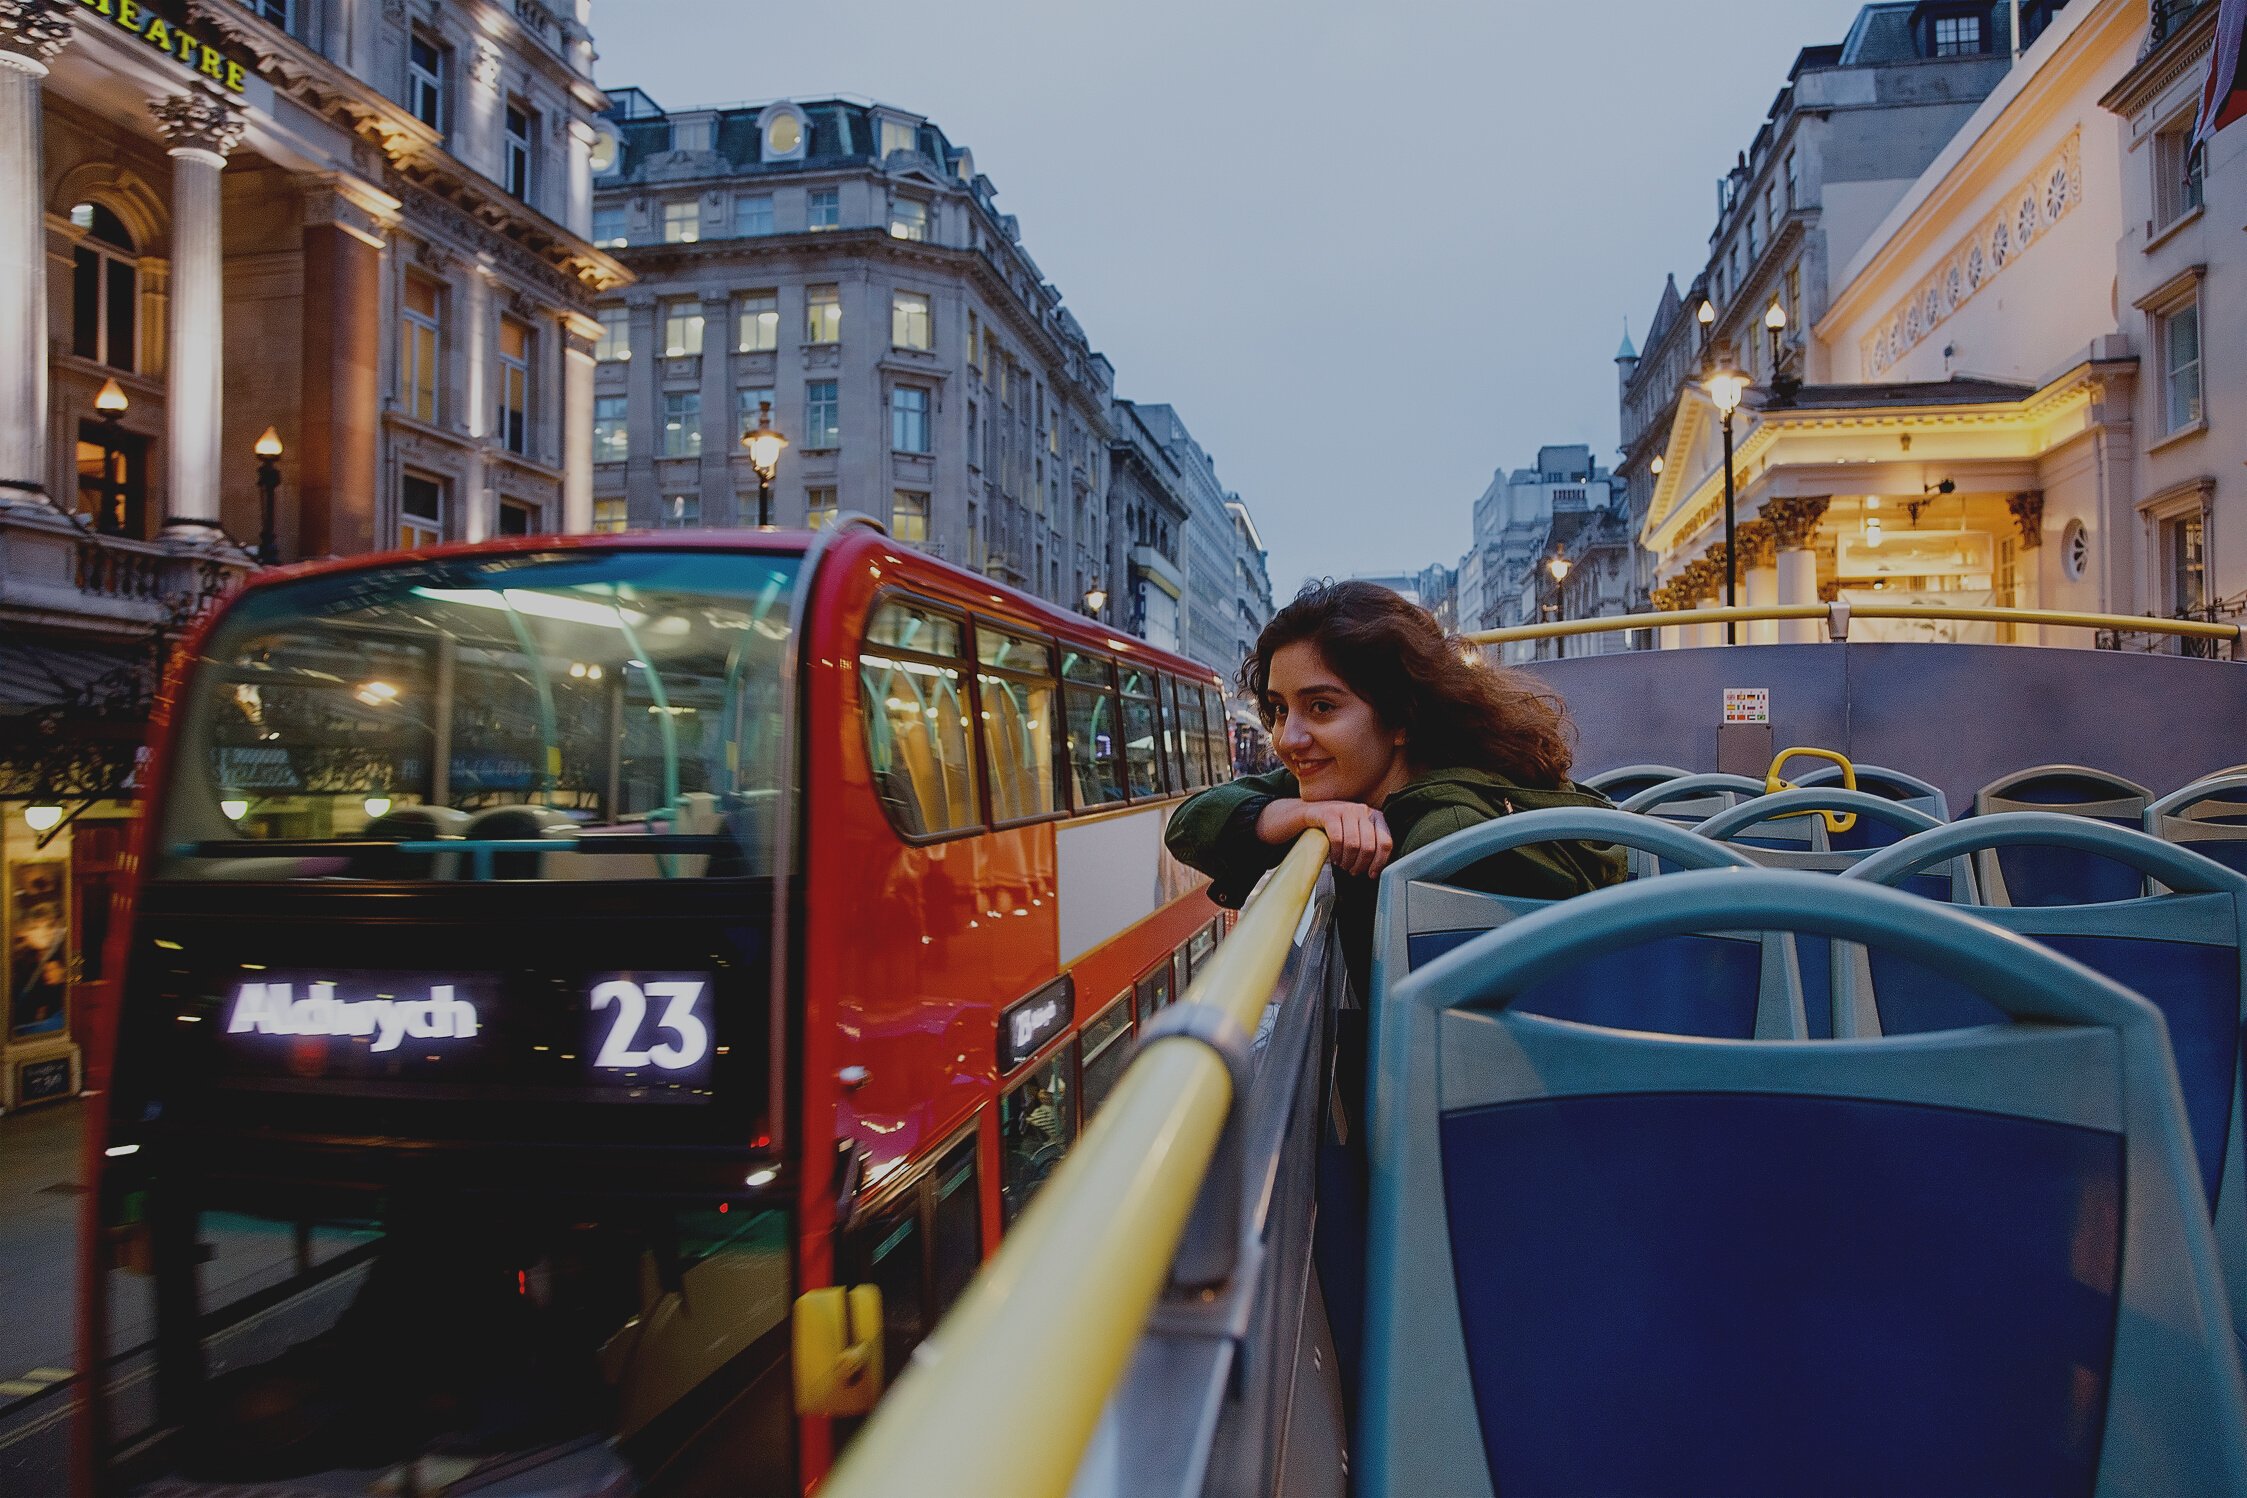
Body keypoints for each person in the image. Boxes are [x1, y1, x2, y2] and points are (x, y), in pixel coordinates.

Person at [1166, 580, 1624, 1000]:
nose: (1288, 738)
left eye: (1321, 707)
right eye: (1279, 709)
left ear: (1401, 718)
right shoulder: (1360, 773)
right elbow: (1189, 826)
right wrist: (1296, 814)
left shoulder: (1448, 842)